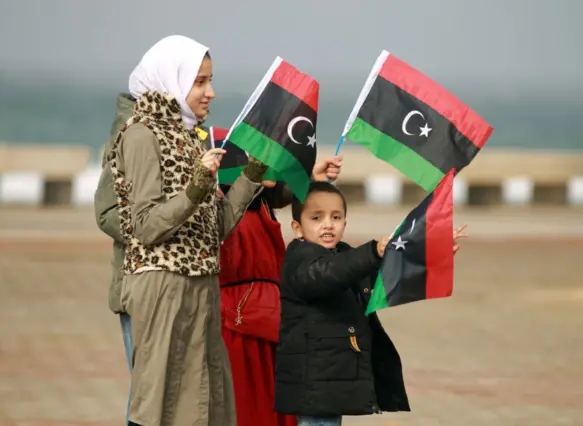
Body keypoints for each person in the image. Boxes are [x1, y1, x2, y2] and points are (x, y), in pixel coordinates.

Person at [107, 35, 269, 426]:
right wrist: (196, 187)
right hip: (163, 285)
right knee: (158, 406)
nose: (210, 92)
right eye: (199, 82)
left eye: (209, 80)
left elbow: (214, 229)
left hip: (201, 285)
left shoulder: (188, 134)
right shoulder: (141, 134)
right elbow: (144, 225)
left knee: (206, 407)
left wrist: (252, 175)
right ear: (171, 80)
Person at [274, 182, 467, 425]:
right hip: (313, 380)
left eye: (336, 217)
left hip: (332, 376)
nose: (327, 224)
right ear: (297, 228)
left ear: (345, 224)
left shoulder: (344, 254)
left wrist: (433, 254)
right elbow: (327, 275)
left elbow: (387, 276)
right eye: (316, 217)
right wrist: (373, 251)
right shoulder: (300, 259)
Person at [218, 159, 342, 426]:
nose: (269, 165)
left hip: (268, 321)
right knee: (248, 409)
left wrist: (310, 178)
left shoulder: (259, 204)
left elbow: (276, 190)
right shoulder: (227, 213)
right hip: (238, 328)